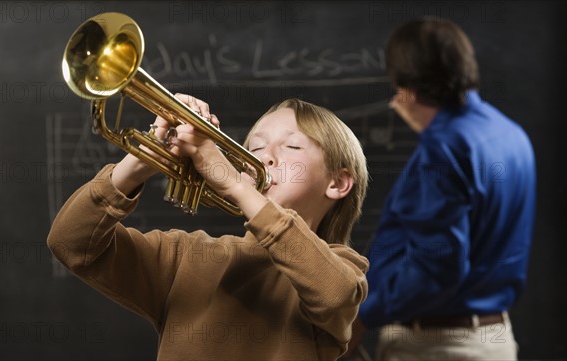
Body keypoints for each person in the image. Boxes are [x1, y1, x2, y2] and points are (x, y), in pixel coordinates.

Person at [47, 95, 370, 360]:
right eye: (255, 148)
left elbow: (334, 295)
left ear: (338, 183)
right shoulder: (184, 257)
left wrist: (232, 183)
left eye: (292, 147)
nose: (266, 158)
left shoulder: (344, 267)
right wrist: (141, 159)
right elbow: (69, 242)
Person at [348, 17, 536, 360]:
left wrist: (364, 316)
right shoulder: (511, 134)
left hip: (437, 346)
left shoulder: (444, 148)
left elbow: (436, 267)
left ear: (403, 84)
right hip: (493, 339)